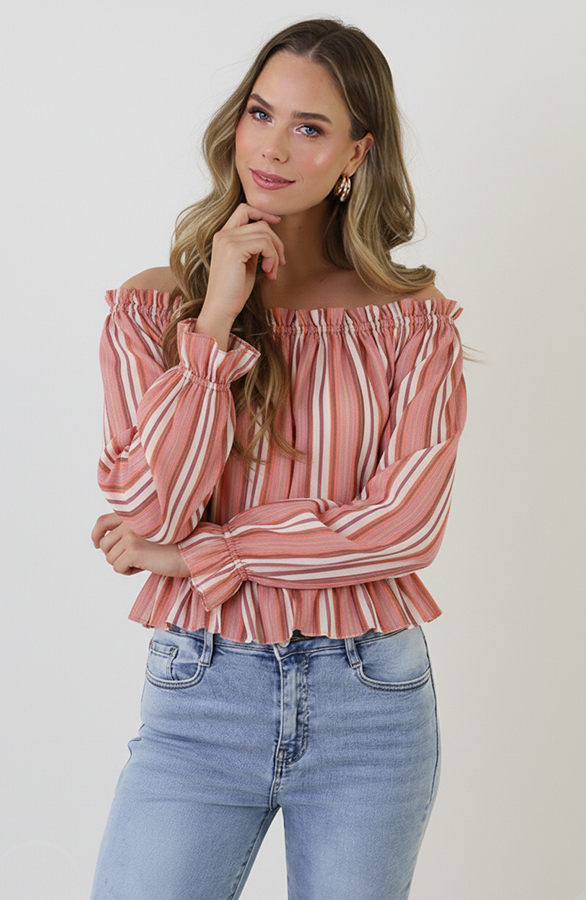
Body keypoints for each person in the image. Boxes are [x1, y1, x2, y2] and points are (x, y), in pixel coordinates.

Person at [90, 17, 466, 900]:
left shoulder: (414, 325)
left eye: (310, 127)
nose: (273, 146)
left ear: (356, 154)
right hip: (201, 693)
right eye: (261, 113)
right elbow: (147, 513)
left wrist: (206, 554)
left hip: (371, 701)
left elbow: (403, 530)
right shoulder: (152, 312)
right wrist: (216, 322)